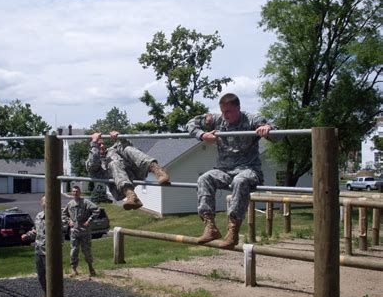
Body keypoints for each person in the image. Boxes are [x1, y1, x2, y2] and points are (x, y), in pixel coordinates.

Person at [186, 93, 276, 249]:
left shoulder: (252, 119)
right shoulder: (216, 120)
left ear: (238, 108)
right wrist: (202, 135)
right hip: (224, 170)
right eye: (222, 111)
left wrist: (267, 129)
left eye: (228, 111)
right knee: (204, 179)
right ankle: (210, 227)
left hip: (249, 169)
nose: (224, 115)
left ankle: (233, 231)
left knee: (240, 181)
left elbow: (276, 133)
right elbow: (190, 124)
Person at [86, 130, 170, 210]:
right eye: (98, 144)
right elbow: (93, 165)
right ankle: (131, 196)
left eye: (103, 144)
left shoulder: (112, 149)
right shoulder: (93, 161)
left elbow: (129, 146)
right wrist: (94, 143)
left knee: (127, 148)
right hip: (120, 188)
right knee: (113, 163)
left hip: (135, 174)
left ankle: (158, 171)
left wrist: (120, 137)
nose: (102, 146)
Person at [62, 185, 100, 277]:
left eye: (77, 191)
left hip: (85, 232)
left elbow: (97, 210)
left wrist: (89, 220)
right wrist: (69, 221)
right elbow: (64, 214)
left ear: (80, 192)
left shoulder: (86, 202)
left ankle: (91, 268)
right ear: (72, 192)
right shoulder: (70, 204)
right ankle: (74, 269)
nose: (75, 193)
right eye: (74, 191)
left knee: (86, 251)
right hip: (74, 232)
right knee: (74, 251)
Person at [21, 195, 48, 297]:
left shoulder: (55, 216)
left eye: (47, 200)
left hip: (49, 253)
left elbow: (60, 233)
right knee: (41, 276)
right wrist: (27, 235)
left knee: (50, 277)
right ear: (41, 203)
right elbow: (36, 230)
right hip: (38, 250)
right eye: (44, 201)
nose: (45, 203)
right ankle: (46, 296)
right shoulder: (39, 216)